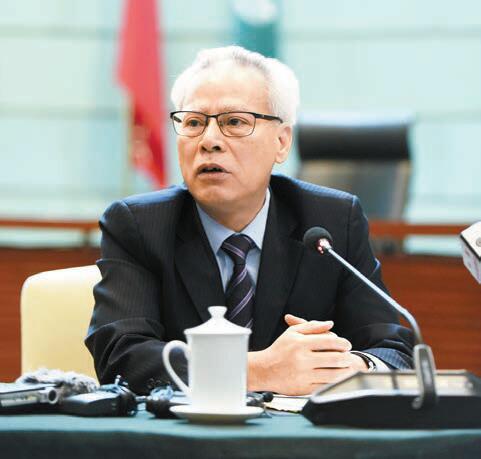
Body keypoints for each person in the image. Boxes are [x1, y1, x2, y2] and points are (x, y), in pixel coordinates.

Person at [86, 46, 413, 396]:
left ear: (281, 142)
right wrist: (257, 371)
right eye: (194, 123)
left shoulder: (332, 223)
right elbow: (122, 357)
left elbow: (393, 352)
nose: (209, 141)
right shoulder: (140, 225)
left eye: (235, 122)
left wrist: (354, 367)